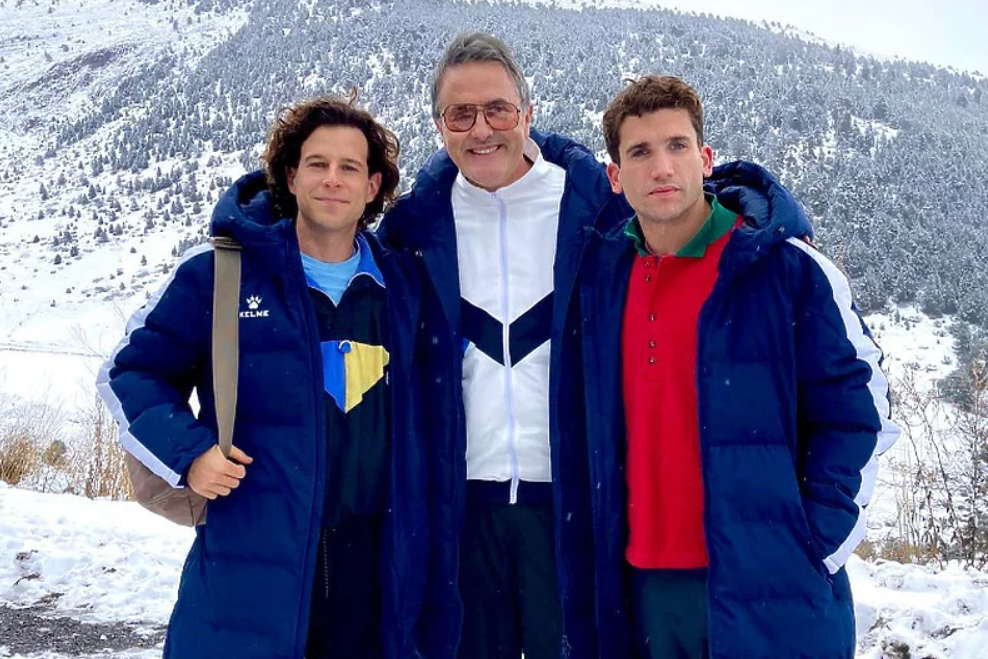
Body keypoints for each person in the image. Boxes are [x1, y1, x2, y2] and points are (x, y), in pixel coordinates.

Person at [577, 74, 900, 659]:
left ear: (705, 159)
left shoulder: (786, 270)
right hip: (644, 590)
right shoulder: (605, 279)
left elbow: (861, 411)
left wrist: (814, 543)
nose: (662, 167)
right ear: (615, 177)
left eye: (677, 145)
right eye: (640, 152)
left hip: (772, 585)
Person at [96, 94, 427, 659]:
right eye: (318, 164)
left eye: (350, 167)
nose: (333, 179)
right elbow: (130, 372)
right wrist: (189, 455)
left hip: (375, 576)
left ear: (373, 186)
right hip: (248, 565)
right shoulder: (220, 274)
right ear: (291, 176)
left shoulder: (404, 286)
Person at [378, 32, 633, 659]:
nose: (481, 129)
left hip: (571, 506)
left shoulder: (597, 212)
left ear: (527, 112)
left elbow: (683, 219)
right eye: (460, 114)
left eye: (497, 109)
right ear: (439, 126)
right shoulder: (414, 227)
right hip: (460, 512)